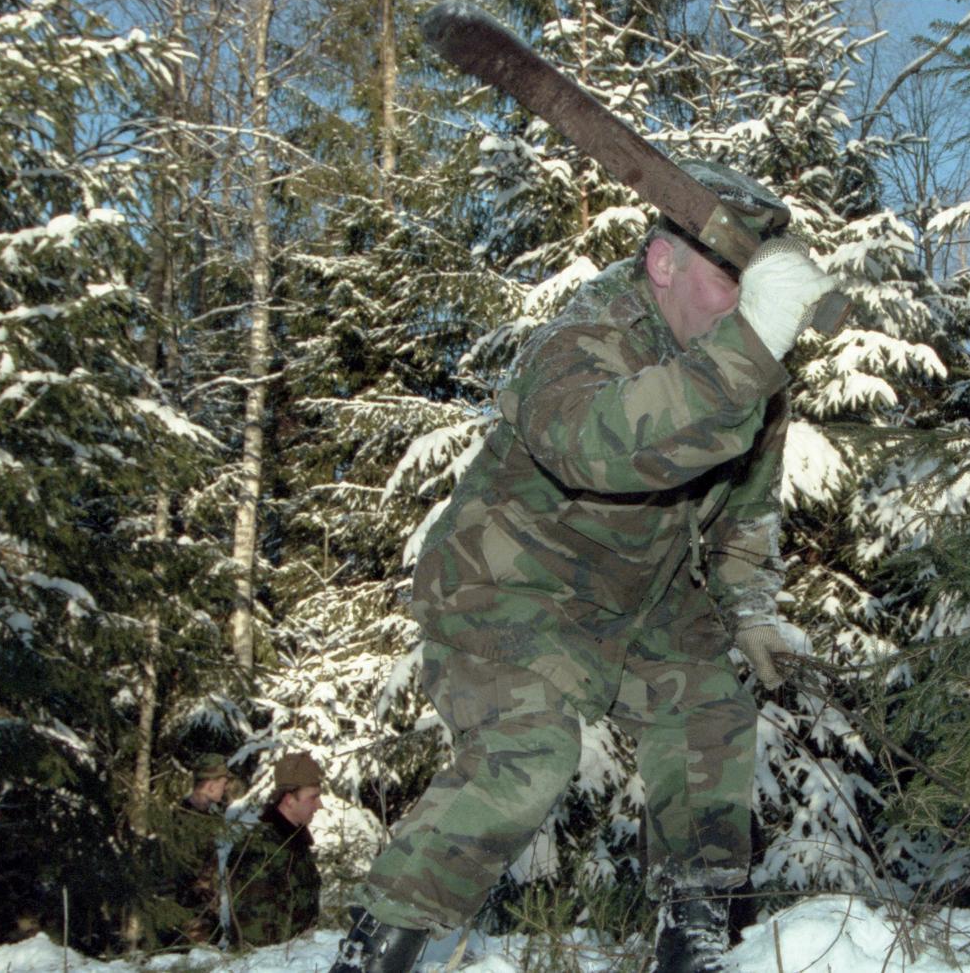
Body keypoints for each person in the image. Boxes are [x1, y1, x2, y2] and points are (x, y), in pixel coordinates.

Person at [328, 161, 839, 973]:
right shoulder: (584, 337)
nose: (745, 307)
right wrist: (748, 351)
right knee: (529, 753)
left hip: (636, 599)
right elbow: (599, 446)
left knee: (709, 706)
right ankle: (381, 942)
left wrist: (748, 609)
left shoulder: (747, 372)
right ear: (662, 263)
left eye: (758, 290)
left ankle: (695, 929)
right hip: (506, 587)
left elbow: (746, 509)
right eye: (729, 281)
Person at [226, 751, 324, 948]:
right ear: (289, 800)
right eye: (313, 797)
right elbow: (253, 937)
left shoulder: (294, 843)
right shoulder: (259, 850)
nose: (319, 805)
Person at [157, 754, 233, 947]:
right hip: (189, 923)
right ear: (211, 786)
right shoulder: (183, 823)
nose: (225, 789)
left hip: (204, 917)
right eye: (223, 783)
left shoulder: (205, 817)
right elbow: (178, 878)